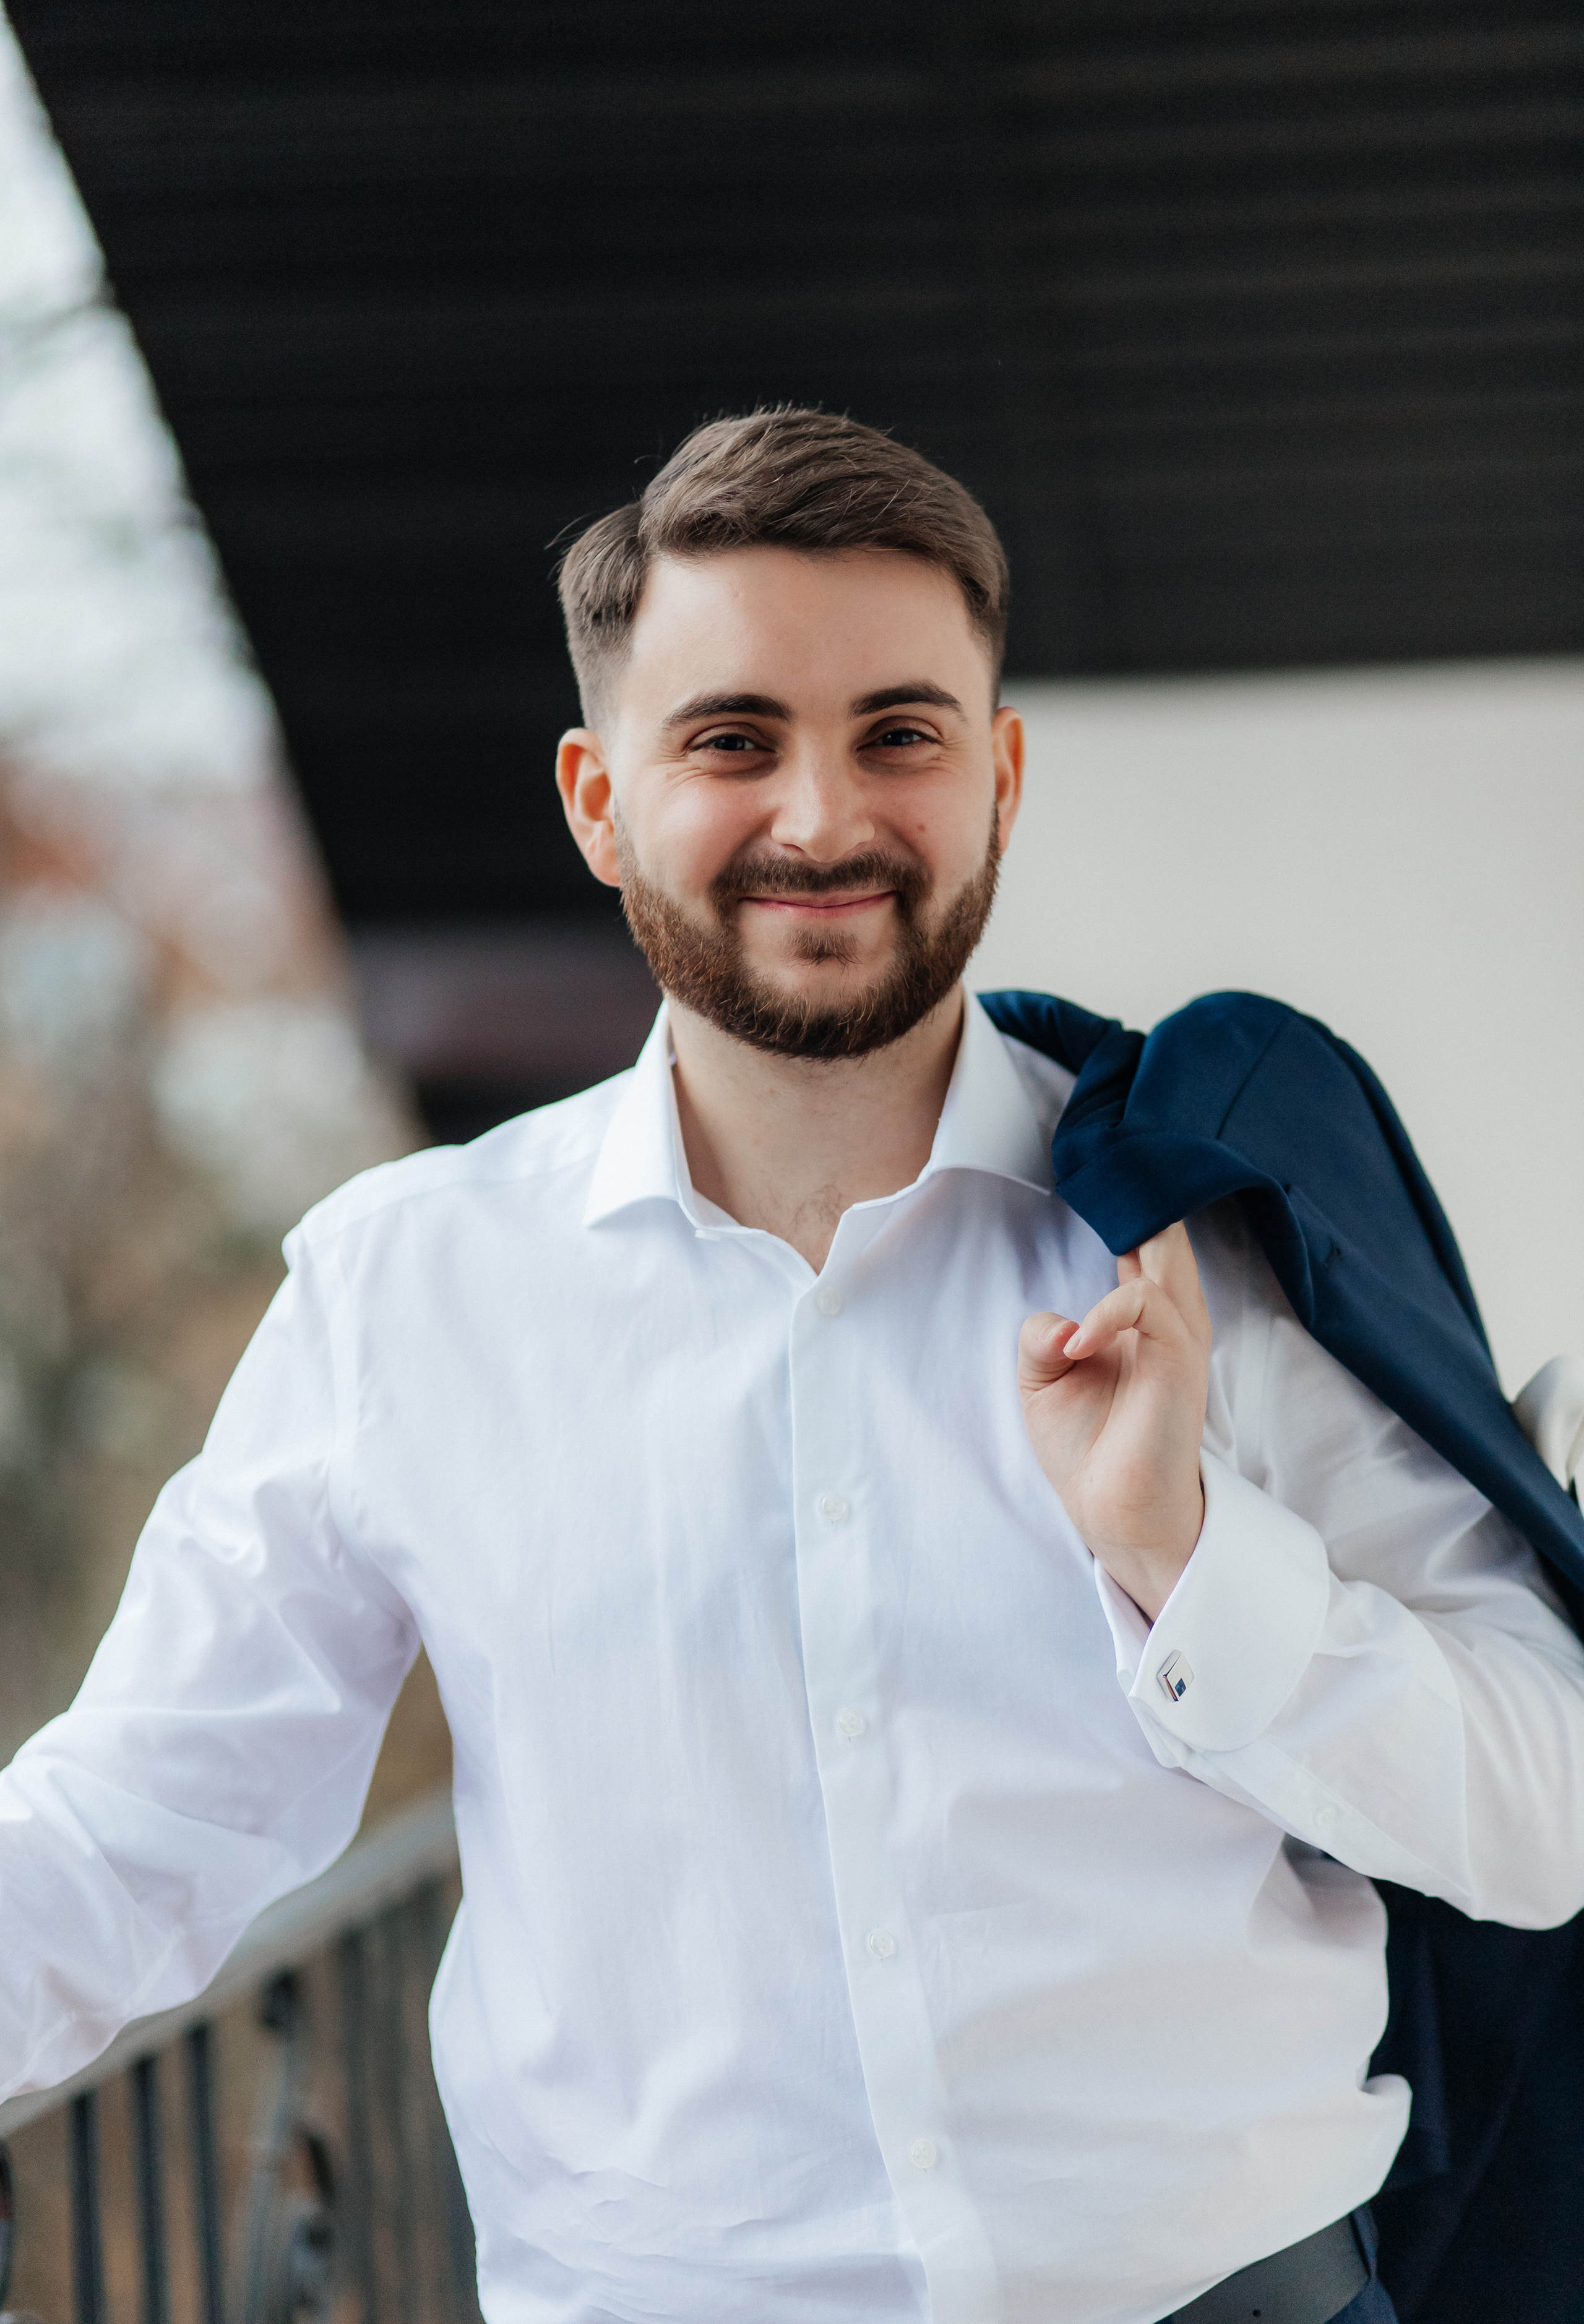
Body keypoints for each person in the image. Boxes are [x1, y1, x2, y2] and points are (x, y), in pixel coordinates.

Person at [2, 408, 1583, 2324]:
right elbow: (140, 1823)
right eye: (733, 739)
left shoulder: (1212, 1230)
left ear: (998, 775)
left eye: (899, 735)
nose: (823, 820)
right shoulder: (403, 1294)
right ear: (598, 798)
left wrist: (1189, 1558)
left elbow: (1543, 1813)